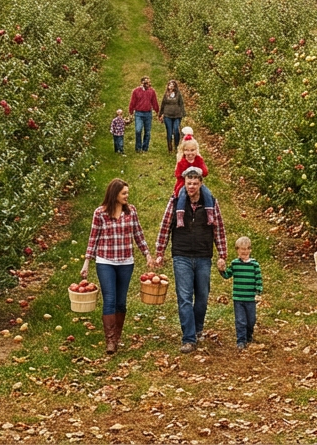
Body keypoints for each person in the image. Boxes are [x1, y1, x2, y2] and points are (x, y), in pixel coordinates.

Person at [153, 166, 227, 354]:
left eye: (195, 183)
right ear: (184, 183)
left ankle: (198, 328)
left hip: (203, 255)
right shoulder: (176, 202)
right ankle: (189, 338)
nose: (192, 186)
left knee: (202, 297)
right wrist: (160, 251)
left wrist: (222, 254)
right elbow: (165, 226)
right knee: (184, 298)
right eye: (189, 183)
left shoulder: (210, 203)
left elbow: (218, 229)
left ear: (201, 183)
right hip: (182, 255)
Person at [82, 179, 151, 355]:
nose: (127, 196)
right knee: (110, 299)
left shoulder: (131, 211)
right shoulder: (100, 213)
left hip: (126, 261)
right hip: (105, 261)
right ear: (115, 194)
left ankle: (117, 336)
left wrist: (147, 255)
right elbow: (93, 238)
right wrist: (87, 262)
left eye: (127, 193)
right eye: (124, 193)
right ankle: (110, 341)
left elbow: (138, 234)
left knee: (121, 301)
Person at [221, 236, 262, 350]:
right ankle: (241, 341)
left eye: (246, 249)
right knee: (240, 320)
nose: (244, 251)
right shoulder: (235, 264)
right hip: (238, 298)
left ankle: (249, 335)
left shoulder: (254, 264)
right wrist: (222, 269)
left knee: (251, 320)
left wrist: (258, 292)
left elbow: (258, 279)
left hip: (250, 298)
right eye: (241, 249)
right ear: (237, 250)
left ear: (250, 250)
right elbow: (227, 275)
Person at [128, 77, 161, 152]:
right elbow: (132, 102)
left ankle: (145, 148)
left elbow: (154, 102)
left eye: (149, 83)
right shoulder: (136, 91)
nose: (148, 84)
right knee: (138, 130)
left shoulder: (152, 91)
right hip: (139, 113)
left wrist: (157, 111)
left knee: (147, 131)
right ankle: (138, 148)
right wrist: (131, 112)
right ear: (142, 83)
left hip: (148, 113)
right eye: (146, 83)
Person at [160, 80, 187, 153]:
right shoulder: (166, 94)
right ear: (168, 86)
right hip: (167, 115)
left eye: (173, 85)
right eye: (170, 85)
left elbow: (181, 104)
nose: (171, 86)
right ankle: (170, 148)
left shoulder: (178, 94)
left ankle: (176, 146)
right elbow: (163, 104)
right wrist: (160, 114)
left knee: (176, 131)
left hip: (177, 115)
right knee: (169, 131)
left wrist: (183, 113)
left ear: (175, 86)